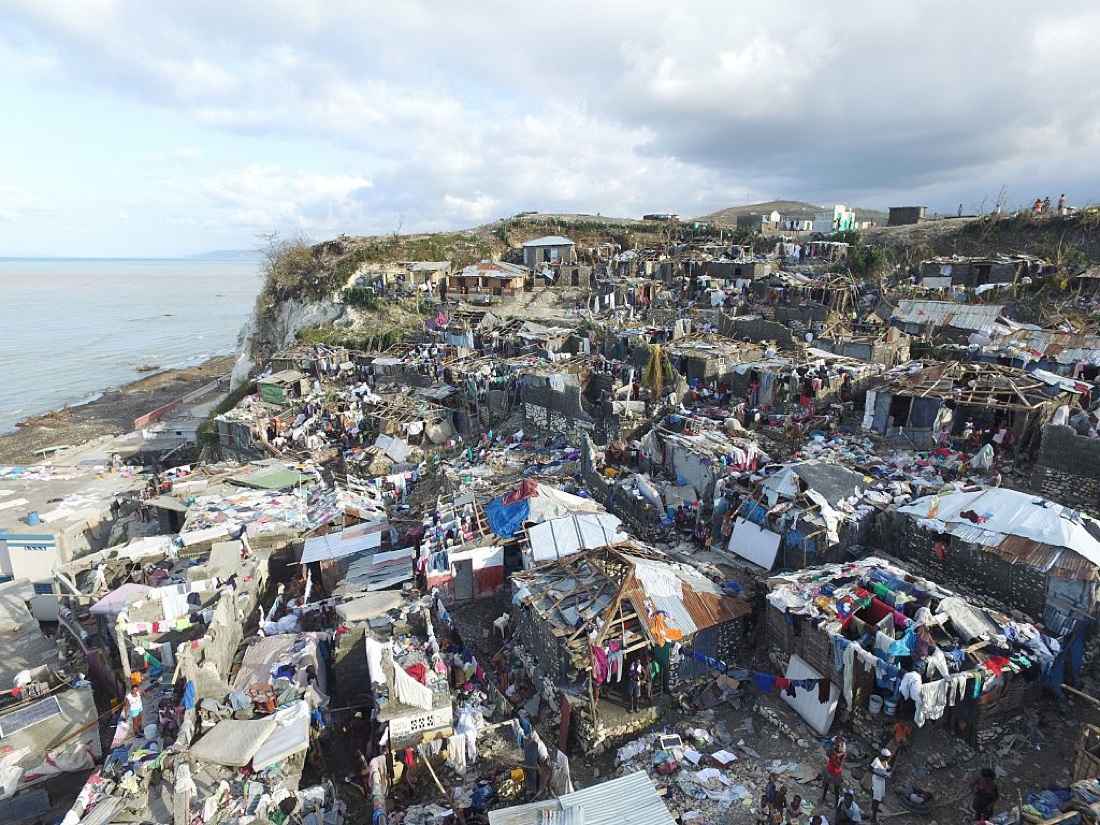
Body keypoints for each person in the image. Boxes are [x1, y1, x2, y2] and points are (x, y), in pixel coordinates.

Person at [820, 733, 847, 807]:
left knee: (836, 788)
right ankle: (823, 797)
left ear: (842, 747)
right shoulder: (833, 750)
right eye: (837, 746)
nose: (838, 748)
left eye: (840, 746)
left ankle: (836, 803)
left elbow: (839, 766)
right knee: (826, 784)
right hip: (829, 770)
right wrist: (834, 756)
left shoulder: (843, 754)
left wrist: (832, 758)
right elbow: (827, 753)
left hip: (836, 773)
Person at [870, 749, 892, 822]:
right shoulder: (877, 761)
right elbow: (870, 770)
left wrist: (887, 775)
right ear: (884, 756)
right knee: (877, 799)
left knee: (877, 797)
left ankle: (873, 809)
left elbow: (885, 770)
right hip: (877, 780)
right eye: (888, 757)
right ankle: (873, 817)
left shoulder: (885, 761)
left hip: (881, 781)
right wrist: (881, 775)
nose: (889, 758)